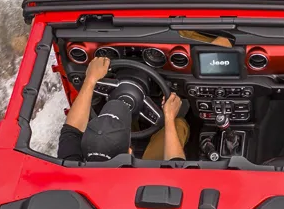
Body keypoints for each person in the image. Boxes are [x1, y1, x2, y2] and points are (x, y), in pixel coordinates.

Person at [57, 56, 190, 162]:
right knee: (178, 125)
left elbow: (71, 131)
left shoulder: (71, 166)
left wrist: (91, 80)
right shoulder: (147, 183)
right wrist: (169, 117)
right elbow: (175, 165)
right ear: (130, 152)